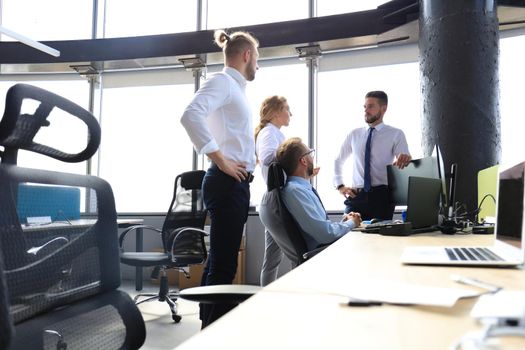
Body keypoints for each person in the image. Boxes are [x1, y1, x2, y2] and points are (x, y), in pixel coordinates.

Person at [180, 29, 259, 328]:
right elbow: (190, 116)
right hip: (226, 183)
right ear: (247, 55)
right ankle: (213, 336)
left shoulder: (235, 89)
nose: (258, 66)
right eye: (257, 58)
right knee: (224, 267)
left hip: (232, 183)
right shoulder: (223, 82)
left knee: (217, 263)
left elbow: (230, 133)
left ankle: (207, 328)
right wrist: (222, 160)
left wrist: (247, 157)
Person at [333, 91, 411, 221]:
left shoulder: (396, 134)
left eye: (370, 106)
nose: (366, 110)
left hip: (382, 197)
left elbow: (403, 157)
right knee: (347, 233)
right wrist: (340, 186)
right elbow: (338, 160)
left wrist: (404, 158)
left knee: (380, 238)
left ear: (383, 108)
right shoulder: (354, 134)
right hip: (356, 196)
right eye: (365, 107)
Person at [276, 137, 362, 250]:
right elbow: (325, 235)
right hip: (322, 252)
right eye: (310, 153)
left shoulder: (301, 188)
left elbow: (319, 228)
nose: (312, 157)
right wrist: (351, 223)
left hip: (326, 247)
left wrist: (344, 222)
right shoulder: (295, 191)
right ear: (304, 161)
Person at [255, 95, 292, 286]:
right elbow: (268, 158)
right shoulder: (269, 133)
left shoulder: (274, 132)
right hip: (278, 200)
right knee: (297, 252)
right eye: (286, 109)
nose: (290, 113)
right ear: (276, 112)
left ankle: (264, 298)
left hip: (275, 198)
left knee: (272, 258)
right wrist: (294, 155)